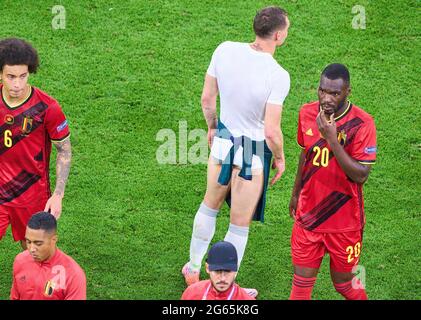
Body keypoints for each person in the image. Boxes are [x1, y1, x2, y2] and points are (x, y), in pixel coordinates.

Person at [182, 7, 291, 297]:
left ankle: (193, 269)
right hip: (253, 154)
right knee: (239, 225)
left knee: (209, 205)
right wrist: (279, 158)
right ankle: (228, 289)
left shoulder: (225, 50)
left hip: (223, 143)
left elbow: (207, 98)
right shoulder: (278, 75)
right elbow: (271, 131)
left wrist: (212, 127)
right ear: (278, 35)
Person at [288, 63, 377, 300]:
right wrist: (296, 193)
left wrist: (332, 139)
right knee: (300, 289)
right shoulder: (306, 113)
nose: (326, 98)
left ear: (348, 91)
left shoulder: (362, 123)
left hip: (345, 223)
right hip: (309, 218)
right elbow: (305, 154)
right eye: (322, 91)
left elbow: (360, 175)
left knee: (345, 286)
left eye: (335, 93)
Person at [0, 38, 71, 249]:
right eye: (11, 77)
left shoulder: (47, 107)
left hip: (31, 194)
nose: (17, 84)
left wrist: (58, 195)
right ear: (1, 74)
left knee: (35, 252)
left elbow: (64, 150)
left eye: (23, 76)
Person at [10, 211, 86, 300]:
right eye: (28, 242)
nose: (31, 249)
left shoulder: (73, 275)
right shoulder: (20, 260)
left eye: (38, 243)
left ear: (53, 239)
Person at [181, 241, 255, 300]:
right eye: (217, 271)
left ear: (236, 269)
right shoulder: (191, 292)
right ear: (207, 268)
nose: (222, 278)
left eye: (228, 271)